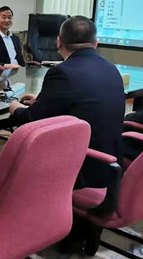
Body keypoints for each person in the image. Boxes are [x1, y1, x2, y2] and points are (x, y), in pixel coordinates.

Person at [9, 16, 125, 188]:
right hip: (111, 164)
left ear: (58, 42)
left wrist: (15, 107)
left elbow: (32, 120)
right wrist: (41, 101)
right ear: (96, 43)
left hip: (79, 169)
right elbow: (79, 103)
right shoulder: (111, 68)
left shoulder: (62, 73)